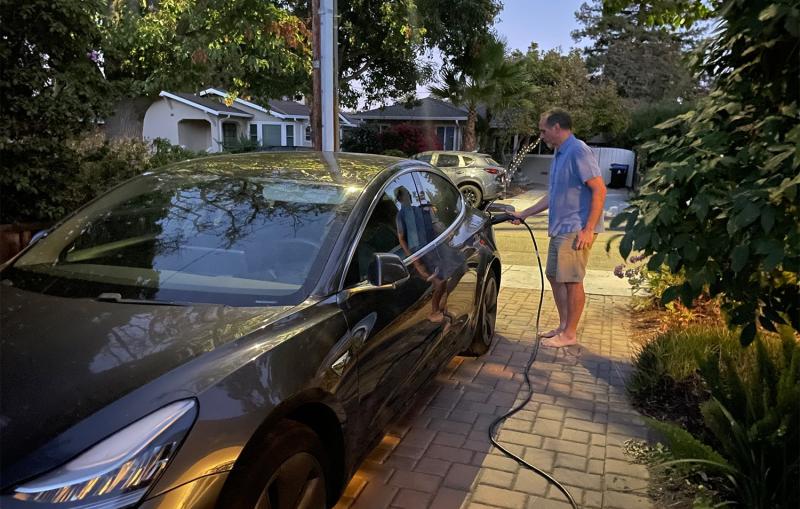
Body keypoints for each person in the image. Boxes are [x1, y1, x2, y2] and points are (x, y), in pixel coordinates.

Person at [512, 109, 607, 348]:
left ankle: (570, 334)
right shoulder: (560, 154)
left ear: (557, 128)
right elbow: (552, 196)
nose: (541, 135)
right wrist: (524, 213)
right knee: (555, 276)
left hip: (575, 228)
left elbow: (599, 189)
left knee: (572, 281)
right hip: (560, 228)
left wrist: (588, 229)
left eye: (543, 130)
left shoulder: (578, 151)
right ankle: (563, 327)